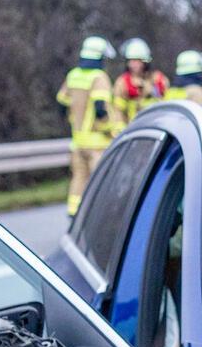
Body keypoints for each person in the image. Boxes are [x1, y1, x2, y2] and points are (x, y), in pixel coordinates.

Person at [56, 36, 117, 214]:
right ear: (100, 57)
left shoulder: (73, 75)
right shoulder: (99, 77)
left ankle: (74, 212)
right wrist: (109, 129)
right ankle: (98, 214)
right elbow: (100, 108)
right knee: (99, 181)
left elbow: (61, 101)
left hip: (77, 142)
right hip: (97, 144)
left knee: (79, 178)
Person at [115, 38, 170, 122]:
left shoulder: (158, 78)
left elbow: (167, 102)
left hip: (157, 123)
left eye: (137, 61)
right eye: (131, 61)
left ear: (145, 61)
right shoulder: (122, 82)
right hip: (133, 126)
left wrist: (150, 90)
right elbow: (118, 109)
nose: (134, 64)